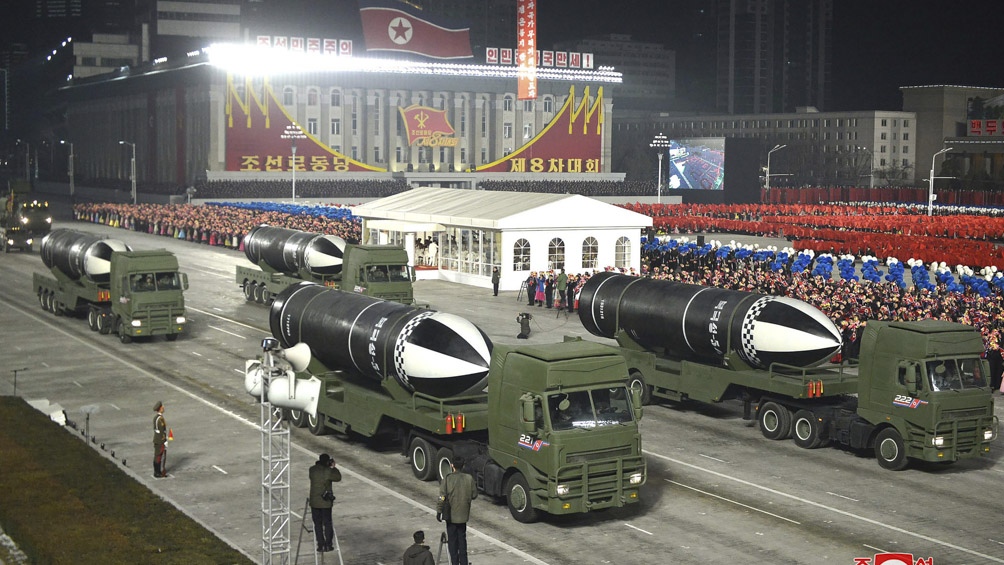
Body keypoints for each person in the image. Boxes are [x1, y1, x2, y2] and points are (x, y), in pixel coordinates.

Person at [437, 456, 477, 565]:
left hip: (451, 516)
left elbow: (442, 497)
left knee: (453, 543)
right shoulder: (469, 478)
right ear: (463, 466)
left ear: (452, 465)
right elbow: (474, 494)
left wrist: (439, 511)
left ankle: (454, 563)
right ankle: (464, 562)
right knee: (462, 542)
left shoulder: (447, 479)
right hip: (463, 516)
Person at [309, 453, 342, 553]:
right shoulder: (328, 471)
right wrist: (333, 467)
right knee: (327, 523)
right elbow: (338, 477)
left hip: (314, 502)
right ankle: (328, 544)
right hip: (325, 502)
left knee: (317, 524)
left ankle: (320, 545)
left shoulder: (312, 469)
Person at [152, 401, 168, 478]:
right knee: (159, 456)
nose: (163, 408)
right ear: (160, 409)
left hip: (157, 439)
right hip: (160, 440)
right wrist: (164, 441)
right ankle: (158, 472)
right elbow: (161, 431)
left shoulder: (156, 418)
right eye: (162, 407)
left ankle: (157, 471)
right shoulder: (160, 419)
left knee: (157, 456)